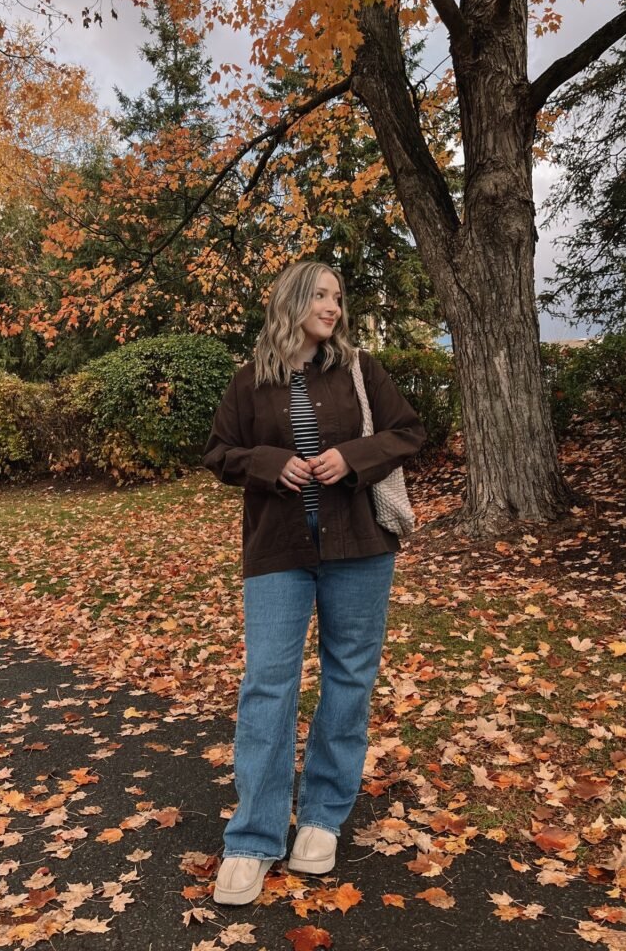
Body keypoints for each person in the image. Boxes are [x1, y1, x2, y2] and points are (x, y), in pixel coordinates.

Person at [201, 259, 427, 905]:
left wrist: (349, 458)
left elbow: (408, 432)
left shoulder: (362, 372)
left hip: (359, 548)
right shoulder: (249, 382)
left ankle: (322, 817)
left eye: (339, 297)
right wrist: (273, 464)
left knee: (347, 679)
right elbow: (218, 453)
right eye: (322, 295)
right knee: (267, 684)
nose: (333, 307)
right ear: (292, 300)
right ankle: (251, 839)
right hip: (277, 550)